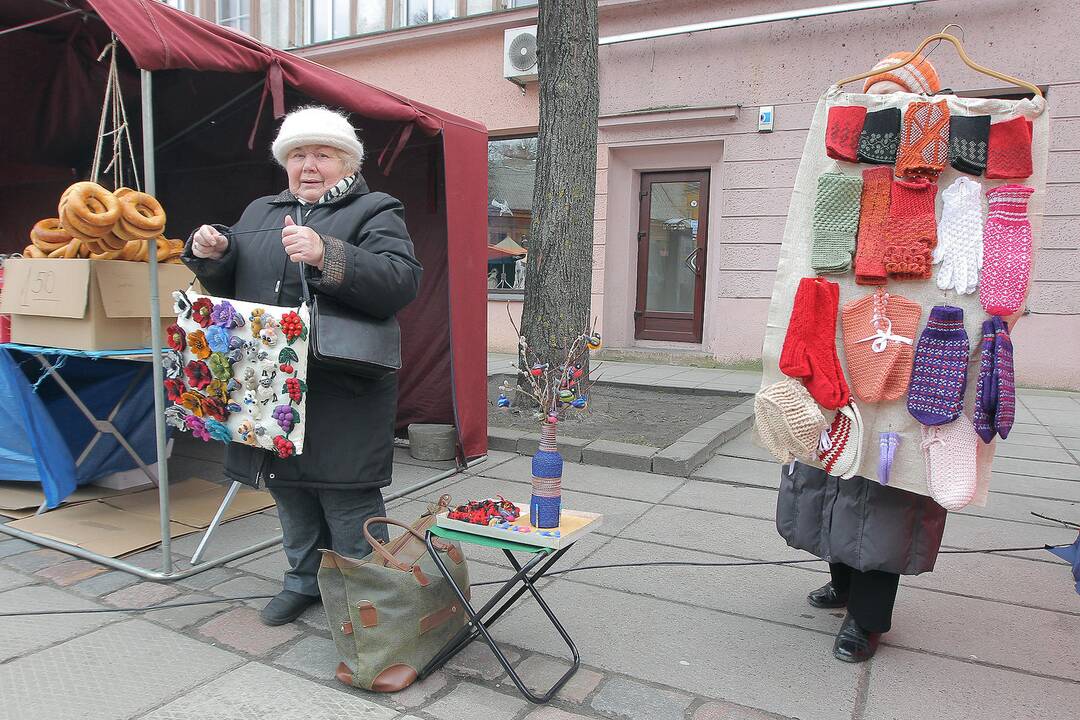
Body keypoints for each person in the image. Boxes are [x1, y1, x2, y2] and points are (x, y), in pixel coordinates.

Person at [183, 105, 422, 626]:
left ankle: (369, 601)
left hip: (344, 383)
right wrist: (215, 254)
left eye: (323, 154)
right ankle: (303, 581)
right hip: (271, 385)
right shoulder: (260, 212)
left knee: (346, 497)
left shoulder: (376, 210)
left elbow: (400, 282)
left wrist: (326, 253)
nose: (309, 165)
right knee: (289, 490)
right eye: (298, 155)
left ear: (348, 162)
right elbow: (235, 288)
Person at [776, 53, 947, 663]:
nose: (883, 111)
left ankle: (869, 618)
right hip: (846, 327)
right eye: (876, 98)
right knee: (837, 464)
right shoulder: (852, 157)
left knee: (888, 480)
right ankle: (845, 580)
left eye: (893, 99)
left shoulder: (939, 168)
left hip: (910, 344)